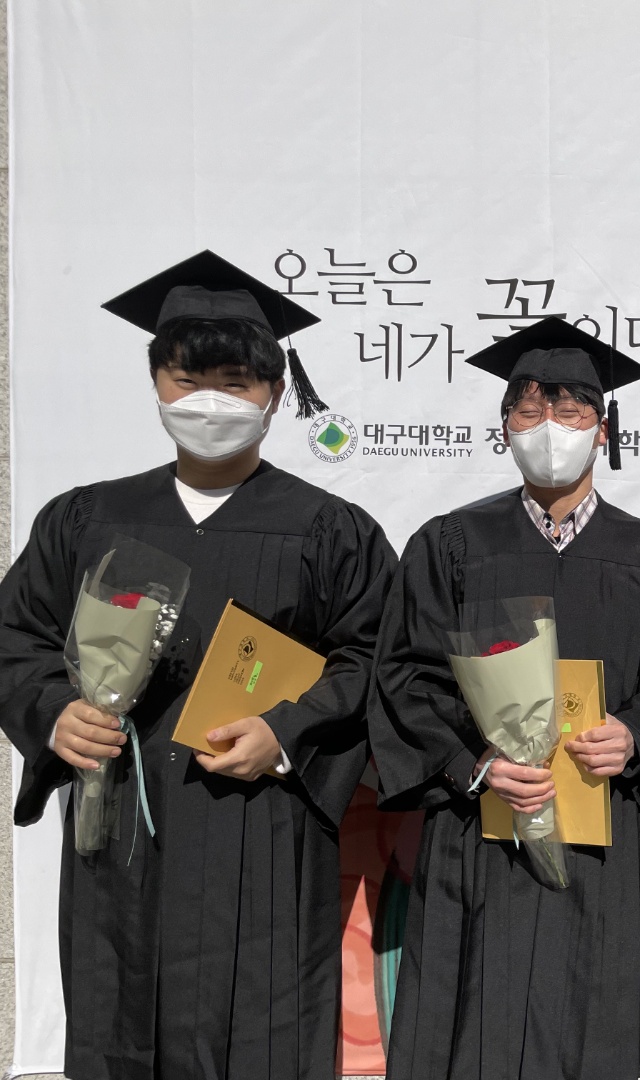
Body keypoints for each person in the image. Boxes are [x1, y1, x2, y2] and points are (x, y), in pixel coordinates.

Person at [0, 250, 396, 1080]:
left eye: (234, 382)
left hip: (262, 827)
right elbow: (17, 635)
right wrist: (53, 712)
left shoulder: (330, 530)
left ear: (276, 394)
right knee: (118, 1021)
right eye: (187, 379)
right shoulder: (88, 518)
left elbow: (374, 657)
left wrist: (286, 733)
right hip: (118, 820)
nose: (209, 401)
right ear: (155, 382)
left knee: (262, 1030)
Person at [369, 316, 640, 1080]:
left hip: (596, 828)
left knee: (586, 1026)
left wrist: (636, 734)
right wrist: (473, 763)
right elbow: (405, 676)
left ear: (604, 430)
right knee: (467, 1030)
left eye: (571, 408)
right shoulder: (450, 545)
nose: (550, 426)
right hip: (476, 832)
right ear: (504, 427)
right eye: (528, 408)